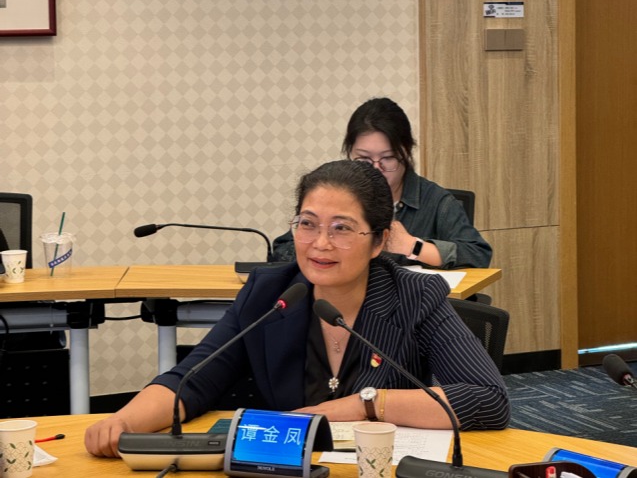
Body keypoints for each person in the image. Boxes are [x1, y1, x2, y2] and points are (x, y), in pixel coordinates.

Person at [85, 160, 509, 458]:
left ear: (379, 241)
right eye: (307, 224)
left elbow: (488, 399)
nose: (320, 244)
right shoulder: (269, 293)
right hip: (290, 467)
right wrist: (124, 421)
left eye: (341, 228)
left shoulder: (414, 295)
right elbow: (190, 381)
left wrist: (364, 404)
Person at [271, 97, 492, 269]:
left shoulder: (436, 201)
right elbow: (282, 251)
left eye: (388, 158)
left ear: (406, 152)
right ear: (349, 153)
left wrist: (413, 246)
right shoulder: (336, 195)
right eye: (364, 159)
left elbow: (478, 255)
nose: (375, 169)